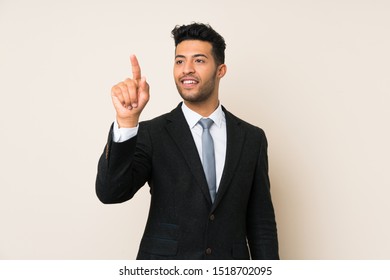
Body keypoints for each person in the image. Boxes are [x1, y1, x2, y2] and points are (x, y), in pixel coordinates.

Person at [96, 23, 279, 260]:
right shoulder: (153, 133)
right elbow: (111, 193)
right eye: (180, 61)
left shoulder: (252, 138)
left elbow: (261, 223)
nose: (187, 70)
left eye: (199, 60)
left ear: (220, 70)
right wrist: (127, 120)